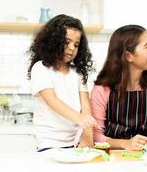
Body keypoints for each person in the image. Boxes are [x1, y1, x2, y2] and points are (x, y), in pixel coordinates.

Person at [27, 14, 97, 152]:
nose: (71, 48)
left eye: (76, 44)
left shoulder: (78, 72)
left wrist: (87, 135)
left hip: (75, 142)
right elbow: (52, 101)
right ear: (53, 41)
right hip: (49, 142)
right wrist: (81, 119)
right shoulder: (41, 68)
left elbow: (86, 106)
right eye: (67, 42)